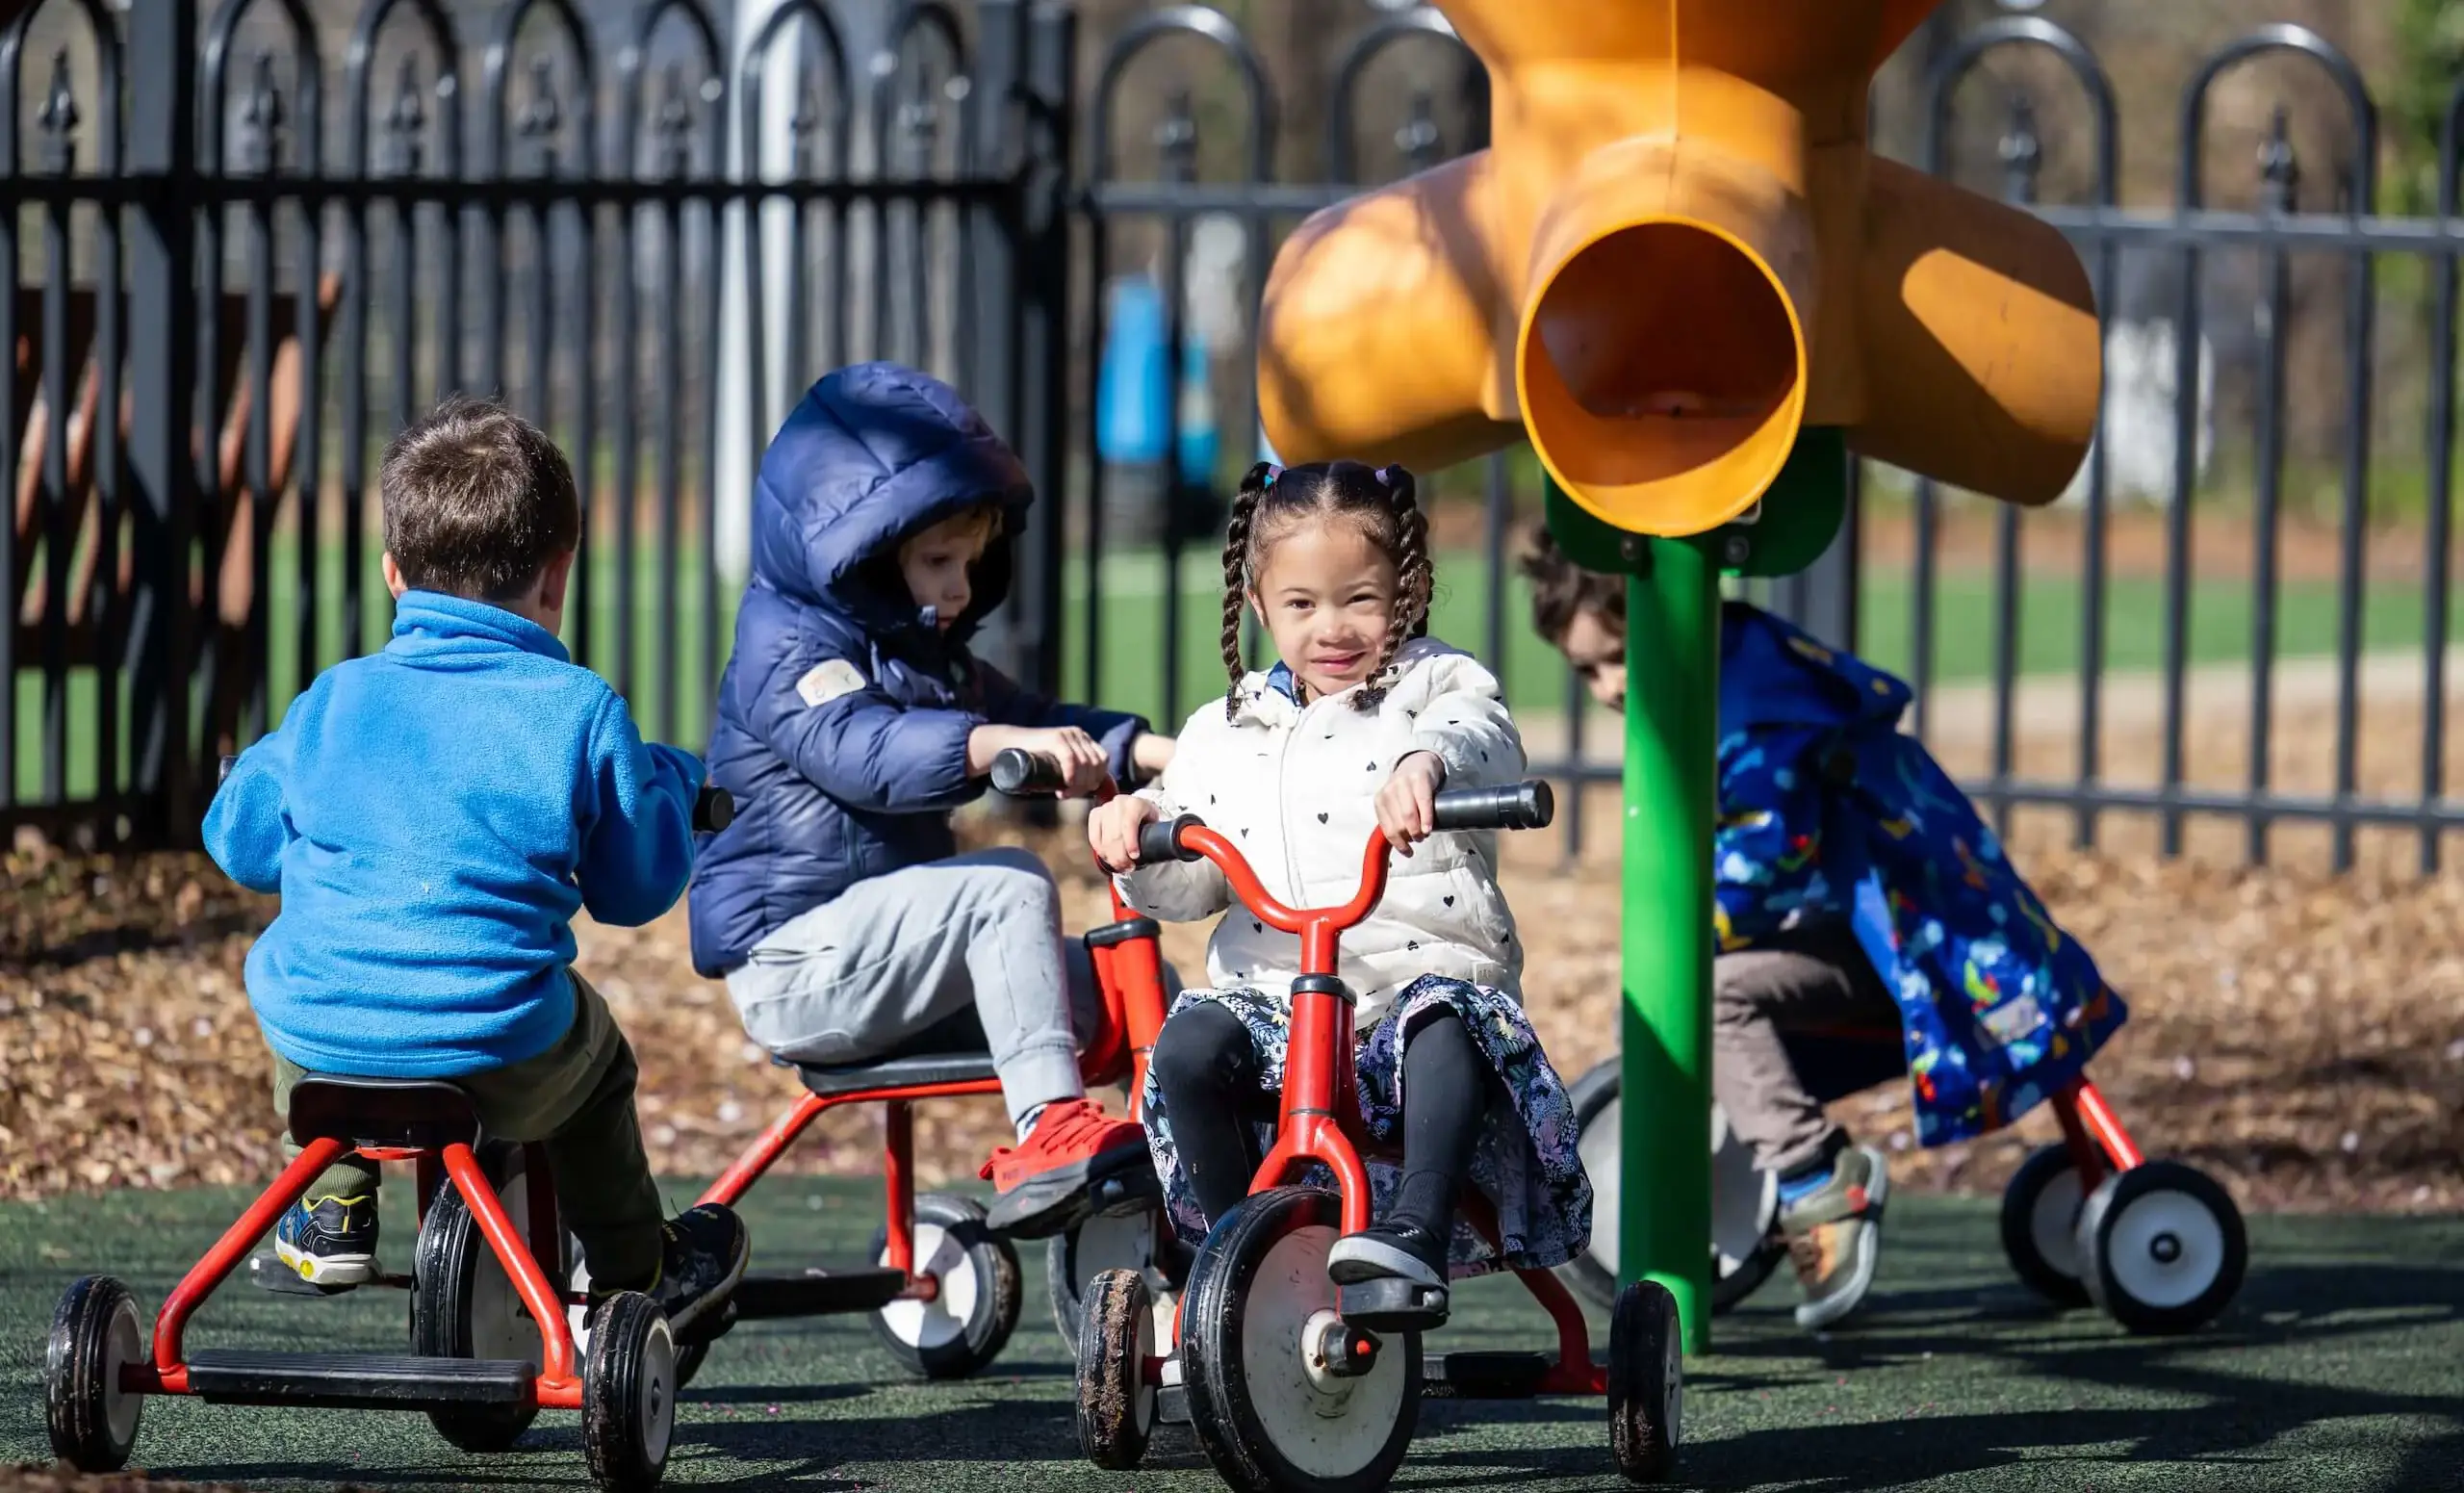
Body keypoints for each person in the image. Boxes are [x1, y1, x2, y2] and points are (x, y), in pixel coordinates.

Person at [203, 397, 748, 1337]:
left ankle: (330, 1200)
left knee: (310, 992)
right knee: (599, 1060)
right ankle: (635, 1266)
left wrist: (254, 772)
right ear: (558, 575)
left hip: (323, 1049)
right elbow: (632, 888)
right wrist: (669, 790)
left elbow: (243, 845)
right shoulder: (579, 710)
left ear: (391, 575)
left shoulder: (335, 701)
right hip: (500, 1046)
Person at [1522, 528, 2127, 1329]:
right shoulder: (1738, 668)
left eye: (1619, 655)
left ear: (1667, 621)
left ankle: (1814, 1181)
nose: (1606, 686)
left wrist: (1688, 932)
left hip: (1922, 943)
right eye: (1585, 668)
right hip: (1885, 926)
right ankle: (1782, 1165)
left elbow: (1774, 843)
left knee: (1711, 996)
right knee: (1704, 991)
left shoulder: (1747, 709)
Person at [1091, 460, 1590, 1323]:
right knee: (1188, 1047)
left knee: (1450, 1021)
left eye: (1360, 599)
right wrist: (1141, 833)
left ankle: (1413, 1233)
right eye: (1302, 604)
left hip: (1409, 988)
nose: (1333, 628)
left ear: (1409, 588)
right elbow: (1191, 876)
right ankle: (1231, 1257)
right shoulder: (1226, 729)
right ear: (1257, 602)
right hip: (1278, 1005)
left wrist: (1427, 764)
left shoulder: (1434, 686)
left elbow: (1483, 734)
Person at [690, 362, 1175, 1239]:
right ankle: (1048, 1133)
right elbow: (864, 749)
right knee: (1008, 887)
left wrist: (1166, 753)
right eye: (937, 561)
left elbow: (1033, 718)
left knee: (1132, 982)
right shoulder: (783, 648)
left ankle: (1175, 1169)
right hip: (796, 961)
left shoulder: (924, 655)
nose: (959, 587)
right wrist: (990, 747)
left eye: (972, 562)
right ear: (866, 559)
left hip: (895, 955)